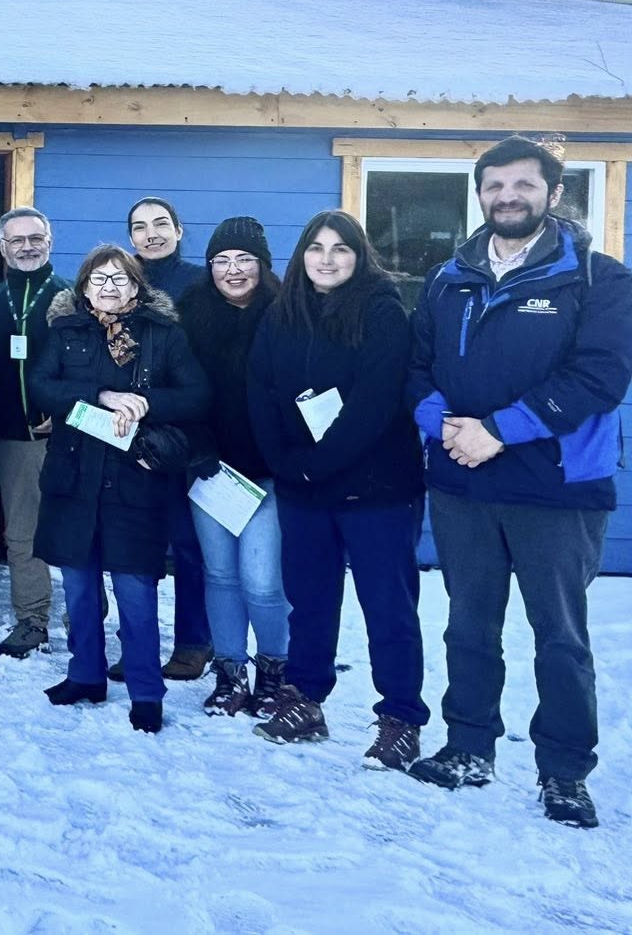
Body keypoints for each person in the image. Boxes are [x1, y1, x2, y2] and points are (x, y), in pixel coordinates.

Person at [405, 136, 632, 828]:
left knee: (559, 637)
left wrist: (499, 430)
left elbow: (599, 376)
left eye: (523, 184)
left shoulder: (596, 277)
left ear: (553, 194)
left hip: (555, 490)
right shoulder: (447, 280)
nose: (508, 196)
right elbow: (416, 367)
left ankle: (564, 770)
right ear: (479, 194)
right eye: (495, 185)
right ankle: (468, 746)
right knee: (468, 626)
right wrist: (447, 427)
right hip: (463, 485)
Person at [247, 211, 428, 772]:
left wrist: (317, 464)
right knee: (310, 601)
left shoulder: (382, 311)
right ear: (302, 255)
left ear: (359, 255)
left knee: (388, 606)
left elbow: (377, 400)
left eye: (340, 248)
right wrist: (286, 464)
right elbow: (261, 389)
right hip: (303, 488)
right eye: (316, 248)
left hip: (376, 489)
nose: (327, 259)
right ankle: (305, 698)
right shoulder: (283, 313)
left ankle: (400, 717)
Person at [31, 245, 211, 735]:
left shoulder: (163, 333)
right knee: (79, 587)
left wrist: (144, 402)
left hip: (135, 479)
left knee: (135, 590)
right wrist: (99, 395)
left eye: (119, 279)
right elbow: (40, 385)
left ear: (136, 286)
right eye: (99, 279)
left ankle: (146, 692)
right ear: (84, 287)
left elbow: (197, 395)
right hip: (73, 478)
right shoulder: (65, 331)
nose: (108, 288)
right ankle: (85, 674)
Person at [176, 217, 289, 717]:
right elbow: (178, 390)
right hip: (211, 470)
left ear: (262, 264)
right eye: (221, 260)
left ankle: (274, 670)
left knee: (262, 580)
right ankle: (229, 671)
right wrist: (197, 448)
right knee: (220, 575)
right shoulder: (190, 315)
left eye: (244, 258)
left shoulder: (287, 314)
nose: (233, 269)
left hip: (270, 472)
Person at [124, 196, 212, 681]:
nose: (151, 234)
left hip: (184, 433)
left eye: (161, 224)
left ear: (178, 230)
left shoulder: (199, 283)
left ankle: (193, 642)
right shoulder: (119, 280)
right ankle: (137, 644)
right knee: (135, 546)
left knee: (188, 543)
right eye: (140, 227)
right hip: (129, 433)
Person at [0, 207, 72, 659]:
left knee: (78, 527)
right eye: (17, 240)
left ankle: (85, 612)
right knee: (22, 532)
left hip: (68, 436)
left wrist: (65, 411)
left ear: (50, 241)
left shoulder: (74, 297)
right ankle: (32, 618)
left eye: (36, 238)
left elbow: (92, 366)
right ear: (2, 247)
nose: (27, 247)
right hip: (10, 438)